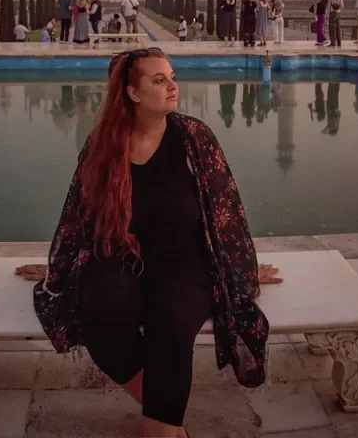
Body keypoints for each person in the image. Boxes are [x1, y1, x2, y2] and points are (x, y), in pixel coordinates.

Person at [16, 48, 281, 438]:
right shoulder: (104, 145)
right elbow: (80, 215)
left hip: (185, 262)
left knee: (171, 325)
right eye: (159, 80)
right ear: (133, 93)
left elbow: (226, 213)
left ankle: (159, 427)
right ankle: (168, 420)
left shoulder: (195, 139)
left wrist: (239, 269)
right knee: (101, 319)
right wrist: (62, 269)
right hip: (119, 256)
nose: (173, 86)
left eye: (172, 76)